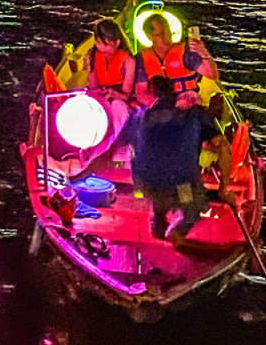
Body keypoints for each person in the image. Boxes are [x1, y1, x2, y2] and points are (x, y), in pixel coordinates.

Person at [78, 74, 229, 241]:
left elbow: (108, 153)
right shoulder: (194, 114)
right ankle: (178, 229)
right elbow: (222, 145)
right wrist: (224, 187)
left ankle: (159, 217)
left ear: (151, 94)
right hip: (181, 185)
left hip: (146, 186)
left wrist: (81, 174)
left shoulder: (138, 117)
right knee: (191, 206)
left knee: (161, 181)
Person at [135, 16, 218, 105]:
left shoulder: (186, 51)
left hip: (189, 105)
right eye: (161, 34)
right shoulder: (141, 58)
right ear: (149, 36)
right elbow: (141, 92)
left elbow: (212, 74)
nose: (166, 36)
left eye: (168, 31)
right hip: (161, 108)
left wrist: (203, 53)